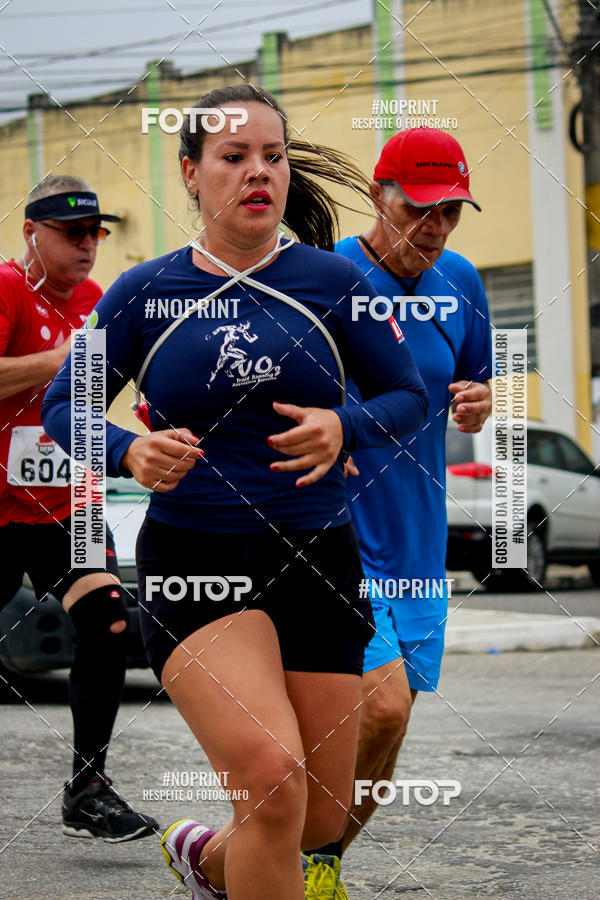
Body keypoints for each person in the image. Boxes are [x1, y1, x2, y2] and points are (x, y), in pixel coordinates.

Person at [42, 86, 429, 899]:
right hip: (197, 560)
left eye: (273, 156)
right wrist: (128, 447)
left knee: (315, 819)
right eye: (233, 157)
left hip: (318, 557)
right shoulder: (146, 293)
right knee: (274, 780)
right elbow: (62, 405)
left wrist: (343, 426)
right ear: (191, 173)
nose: (259, 172)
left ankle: (206, 859)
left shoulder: (335, 283)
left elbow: (410, 396)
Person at [312, 128, 493, 860]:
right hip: (338, 536)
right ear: (375, 196)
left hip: (419, 538)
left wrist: (482, 402)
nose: (436, 227)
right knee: (379, 709)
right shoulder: (327, 277)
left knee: (389, 735)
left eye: (450, 211)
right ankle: (260, 857)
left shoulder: (465, 283)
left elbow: (477, 380)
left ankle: (316, 864)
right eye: (420, 208)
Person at [0, 175, 158, 842]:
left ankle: (87, 789)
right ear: (31, 232)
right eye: (72, 233)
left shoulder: (98, 300)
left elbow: (125, 384)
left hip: (71, 503)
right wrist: (59, 359)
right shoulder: (8, 287)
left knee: (109, 623)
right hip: (3, 507)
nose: (88, 245)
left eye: (96, 232)